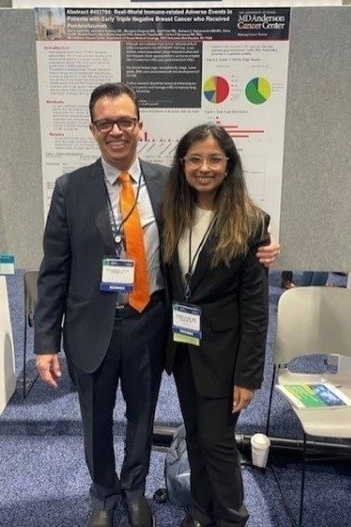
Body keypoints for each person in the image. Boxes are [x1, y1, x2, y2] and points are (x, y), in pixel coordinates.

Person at [34, 83, 279, 527]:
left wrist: (263, 242)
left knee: (142, 417)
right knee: (96, 419)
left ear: (139, 127)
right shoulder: (70, 189)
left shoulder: (170, 183)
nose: (116, 131)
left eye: (125, 121)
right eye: (105, 123)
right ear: (92, 130)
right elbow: (54, 270)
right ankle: (103, 495)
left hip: (151, 323)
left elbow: (222, 217)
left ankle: (135, 490)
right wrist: (46, 342)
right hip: (91, 326)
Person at [163, 124, 270, 527]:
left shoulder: (250, 222)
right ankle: (200, 510)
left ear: (228, 165)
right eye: (195, 158)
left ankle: (230, 518)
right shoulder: (172, 212)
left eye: (214, 159)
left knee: (218, 441)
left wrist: (247, 376)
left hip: (225, 357)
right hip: (183, 346)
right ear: (182, 163)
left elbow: (256, 309)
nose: (204, 167)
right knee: (195, 435)